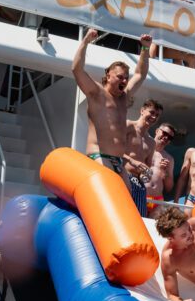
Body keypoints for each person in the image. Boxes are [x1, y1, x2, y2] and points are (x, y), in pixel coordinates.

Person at [72, 27, 152, 193]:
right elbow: (77, 70)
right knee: (110, 193)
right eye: (120, 76)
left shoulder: (124, 97)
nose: (124, 80)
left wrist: (144, 48)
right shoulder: (96, 93)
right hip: (99, 157)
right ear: (108, 75)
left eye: (125, 78)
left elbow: (140, 74)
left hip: (118, 161)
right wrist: (86, 41)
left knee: (125, 198)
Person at [124, 99, 163, 216]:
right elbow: (112, 148)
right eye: (151, 112)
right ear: (142, 111)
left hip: (139, 185)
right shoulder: (129, 126)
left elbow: (148, 166)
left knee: (139, 218)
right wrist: (132, 161)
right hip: (123, 177)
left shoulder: (151, 142)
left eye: (157, 115)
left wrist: (146, 174)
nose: (154, 117)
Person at [145, 122, 176, 217]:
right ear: (157, 131)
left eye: (169, 137)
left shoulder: (169, 159)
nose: (166, 137)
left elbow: (169, 188)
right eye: (164, 133)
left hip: (157, 200)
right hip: (142, 196)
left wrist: (165, 171)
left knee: (154, 230)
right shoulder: (144, 148)